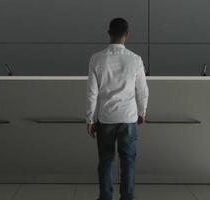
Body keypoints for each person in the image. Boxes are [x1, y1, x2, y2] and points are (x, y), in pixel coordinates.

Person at [86, 18, 149, 200]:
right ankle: (127, 197)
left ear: (109, 33)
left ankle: (106, 196)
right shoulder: (135, 59)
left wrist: (90, 119)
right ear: (127, 34)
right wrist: (142, 113)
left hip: (106, 118)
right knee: (128, 160)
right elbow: (143, 91)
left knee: (106, 160)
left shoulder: (96, 59)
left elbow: (92, 93)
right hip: (129, 117)